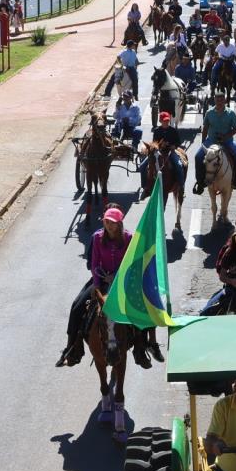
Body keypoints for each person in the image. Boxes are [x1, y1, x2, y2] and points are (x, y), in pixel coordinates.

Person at [57, 206, 153, 369]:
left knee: (142, 306)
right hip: (100, 280)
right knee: (77, 305)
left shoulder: (129, 238)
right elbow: (94, 262)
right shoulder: (97, 237)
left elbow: (131, 263)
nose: (109, 225)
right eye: (107, 222)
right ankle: (72, 347)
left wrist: (116, 276)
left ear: (119, 224)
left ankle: (141, 346)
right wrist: (96, 283)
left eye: (113, 223)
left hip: (123, 282)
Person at [195, 91, 236, 195]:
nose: (219, 102)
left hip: (227, 142)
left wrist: (226, 136)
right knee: (198, 157)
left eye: (221, 100)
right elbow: (205, 128)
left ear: (225, 101)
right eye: (217, 100)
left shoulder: (231, 113)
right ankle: (200, 182)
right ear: (214, 100)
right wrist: (203, 143)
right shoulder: (209, 113)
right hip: (211, 141)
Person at [138, 111, 185, 191]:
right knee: (142, 166)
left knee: (179, 166)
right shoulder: (157, 131)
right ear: (160, 121)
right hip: (158, 152)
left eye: (167, 120)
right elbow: (154, 143)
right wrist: (159, 145)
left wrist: (174, 146)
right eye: (164, 121)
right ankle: (145, 187)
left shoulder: (173, 130)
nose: (166, 122)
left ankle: (181, 187)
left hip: (170, 152)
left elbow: (178, 142)